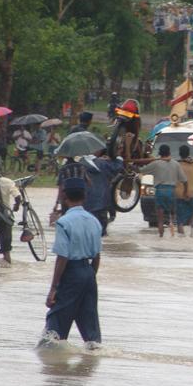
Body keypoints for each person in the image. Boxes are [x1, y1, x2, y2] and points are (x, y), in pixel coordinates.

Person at [42, 177, 103, 348]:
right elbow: (97, 256)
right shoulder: (94, 221)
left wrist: (53, 288)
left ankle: (52, 364)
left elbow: (62, 257)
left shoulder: (63, 223)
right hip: (89, 273)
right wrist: (90, 277)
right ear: (84, 196)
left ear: (64, 197)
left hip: (71, 273)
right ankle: (91, 363)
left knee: (55, 324)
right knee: (90, 325)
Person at [140, 144, 186, 237]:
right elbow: (184, 180)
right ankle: (179, 237)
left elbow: (141, 170)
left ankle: (161, 237)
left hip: (160, 191)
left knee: (160, 220)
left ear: (160, 153)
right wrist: (185, 191)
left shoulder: (155, 163)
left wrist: (131, 167)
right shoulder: (176, 164)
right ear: (169, 152)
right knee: (175, 218)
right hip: (172, 192)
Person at [82, 148, 124, 236]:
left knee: (87, 232)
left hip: (85, 204)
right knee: (101, 233)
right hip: (102, 202)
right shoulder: (102, 163)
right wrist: (119, 157)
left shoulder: (79, 164)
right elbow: (116, 168)